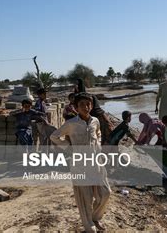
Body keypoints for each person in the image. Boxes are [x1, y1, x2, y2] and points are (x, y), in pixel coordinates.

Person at [50, 93, 111, 233]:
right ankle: (89, 225)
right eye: (82, 104)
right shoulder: (71, 124)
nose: (86, 107)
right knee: (85, 198)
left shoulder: (95, 120)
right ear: (76, 107)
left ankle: (95, 217)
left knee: (105, 192)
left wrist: (99, 149)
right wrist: (70, 149)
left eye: (88, 104)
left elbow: (99, 134)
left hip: (96, 163)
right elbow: (54, 136)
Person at [74, 78, 114, 144]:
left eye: (77, 86)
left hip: (94, 118)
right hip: (99, 117)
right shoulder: (90, 97)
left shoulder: (83, 98)